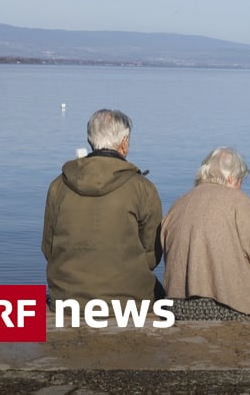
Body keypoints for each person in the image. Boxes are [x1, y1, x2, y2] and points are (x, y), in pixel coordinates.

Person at [161, 147, 250, 321]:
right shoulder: (237, 200)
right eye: (240, 181)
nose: (240, 187)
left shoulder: (178, 204)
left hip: (178, 309)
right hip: (230, 310)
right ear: (231, 178)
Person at [43, 108, 164, 307]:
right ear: (124, 143)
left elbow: (48, 248)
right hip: (129, 298)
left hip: (66, 297)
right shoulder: (143, 189)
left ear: (90, 140)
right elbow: (152, 256)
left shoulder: (58, 186)